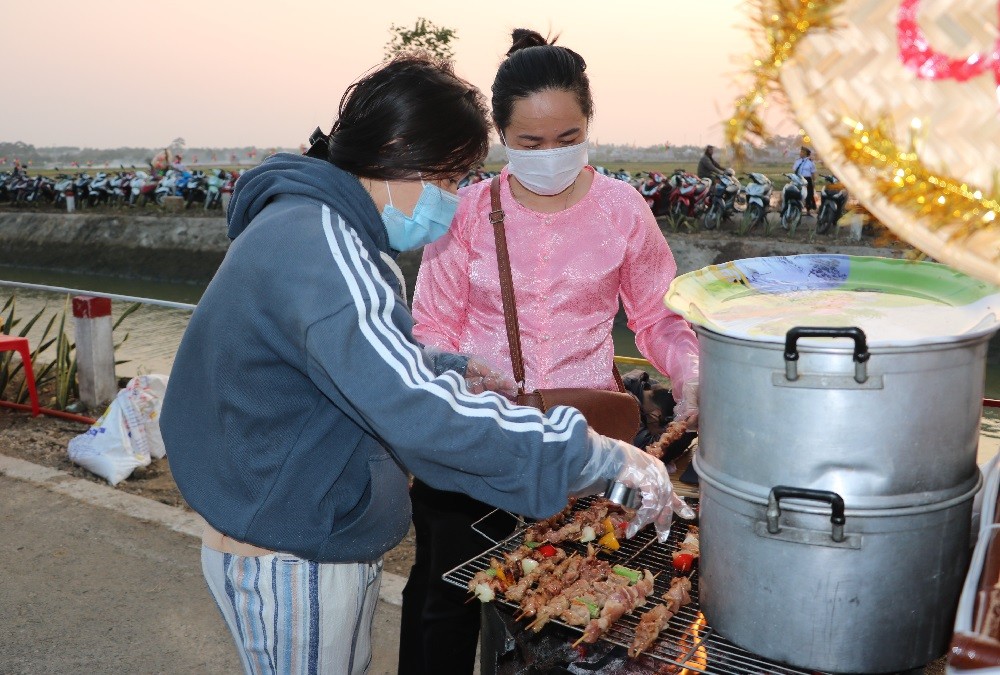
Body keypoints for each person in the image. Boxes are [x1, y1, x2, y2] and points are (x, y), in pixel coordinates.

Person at [159, 55, 688, 675]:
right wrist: (594, 457)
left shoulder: (320, 228)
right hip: (290, 543)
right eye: (444, 179)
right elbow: (415, 411)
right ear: (393, 156)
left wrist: (446, 367)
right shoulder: (321, 249)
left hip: (303, 520)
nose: (449, 198)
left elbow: (368, 358)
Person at [402, 30, 700, 674]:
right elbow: (428, 325)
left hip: (584, 447)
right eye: (530, 144)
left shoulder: (623, 209)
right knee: (445, 600)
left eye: (567, 139)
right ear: (501, 136)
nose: (550, 156)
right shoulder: (467, 211)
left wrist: (690, 366)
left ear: (589, 125)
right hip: (473, 437)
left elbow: (656, 316)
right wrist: (458, 380)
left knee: (572, 606)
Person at [793, 146, 817, 214]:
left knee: (809, 195)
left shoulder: (810, 162)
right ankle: (797, 208)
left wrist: (814, 181)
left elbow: (813, 173)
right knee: (797, 193)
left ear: (806, 153)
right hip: (799, 178)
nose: (800, 153)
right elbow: (794, 170)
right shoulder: (797, 161)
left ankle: (808, 210)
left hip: (807, 179)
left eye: (802, 152)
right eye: (800, 151)